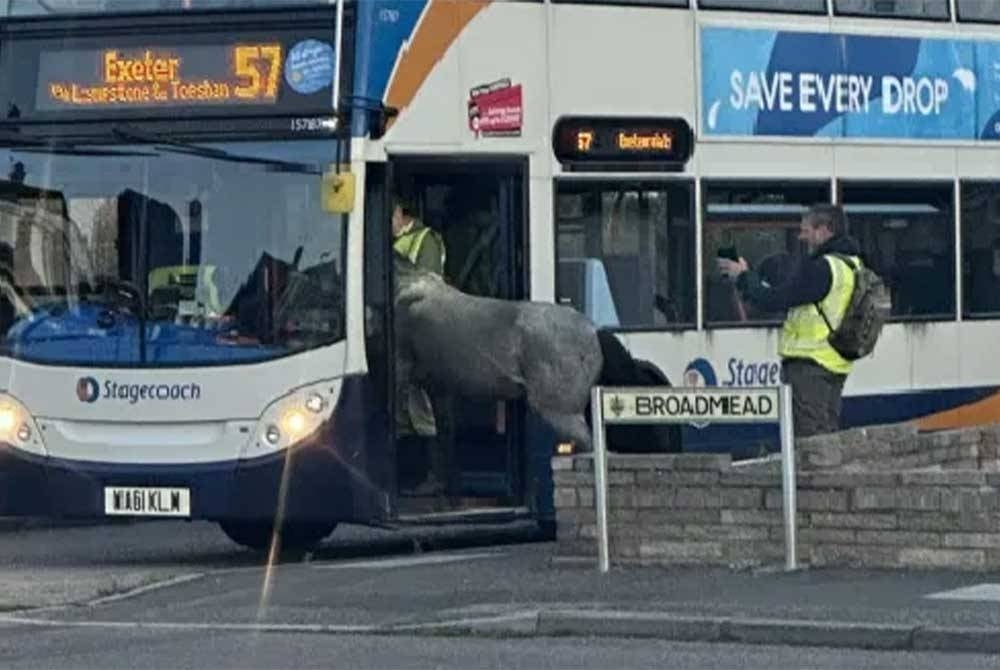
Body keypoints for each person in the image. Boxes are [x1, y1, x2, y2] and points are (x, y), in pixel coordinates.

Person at [717, 204, 863, 438]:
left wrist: (743, 276)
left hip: (812, 365)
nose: (801, 238)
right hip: (835, 362)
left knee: (811, 439)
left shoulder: (823, 268)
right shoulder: (852, 265)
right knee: (827, 435)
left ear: (824, 230)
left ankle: (812, 465)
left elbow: (775, 299)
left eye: (806, 231)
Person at [391, 195, 451, 495]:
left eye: (388, 218)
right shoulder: (391, 240)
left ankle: (434, 475)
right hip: (399, 332)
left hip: (422, 334)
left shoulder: (426, 240)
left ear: (399, 212)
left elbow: (428, 286)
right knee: (402, 406)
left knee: (423, 406)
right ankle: (407, 475)